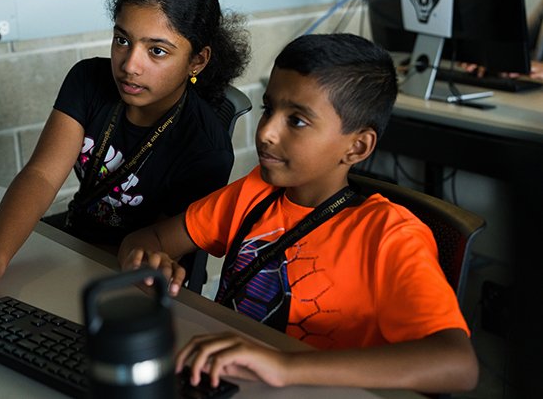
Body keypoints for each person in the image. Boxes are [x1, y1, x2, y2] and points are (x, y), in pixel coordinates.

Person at [118, 33, 479, 394]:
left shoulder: (388, 234)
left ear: (357, 146)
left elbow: (457, 365)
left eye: (298, 121)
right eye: (268, 109)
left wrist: (284, 365)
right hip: (226, 382)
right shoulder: (256, 191)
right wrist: (148, 262)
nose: (267, 133)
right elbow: (147, 239)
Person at [0, 0, 251, 304]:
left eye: (156, 51)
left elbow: (154, 244)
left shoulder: (206, 147)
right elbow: (41, 175)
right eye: (122, 40)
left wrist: (61, 256)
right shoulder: (88, 81)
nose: (129, 65)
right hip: (73, 243)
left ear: (197, 61)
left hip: (131, 277)